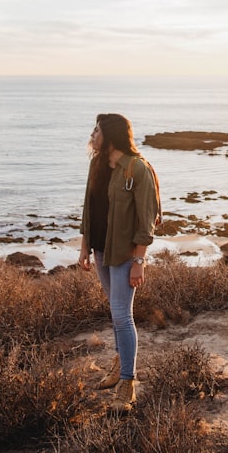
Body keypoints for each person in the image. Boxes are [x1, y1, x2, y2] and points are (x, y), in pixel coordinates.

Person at [78, 113, 160, 413]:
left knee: (122, 315)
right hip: (101, 250)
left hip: (125, 255)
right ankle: (120, 362)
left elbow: (146, 219)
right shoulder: (97, 164)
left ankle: (128, 382)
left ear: (111, 134)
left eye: (97, 130)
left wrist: (139, 260)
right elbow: (88, 208)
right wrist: (85, 247)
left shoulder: (138, 169)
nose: (93, 134)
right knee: (114, 312)